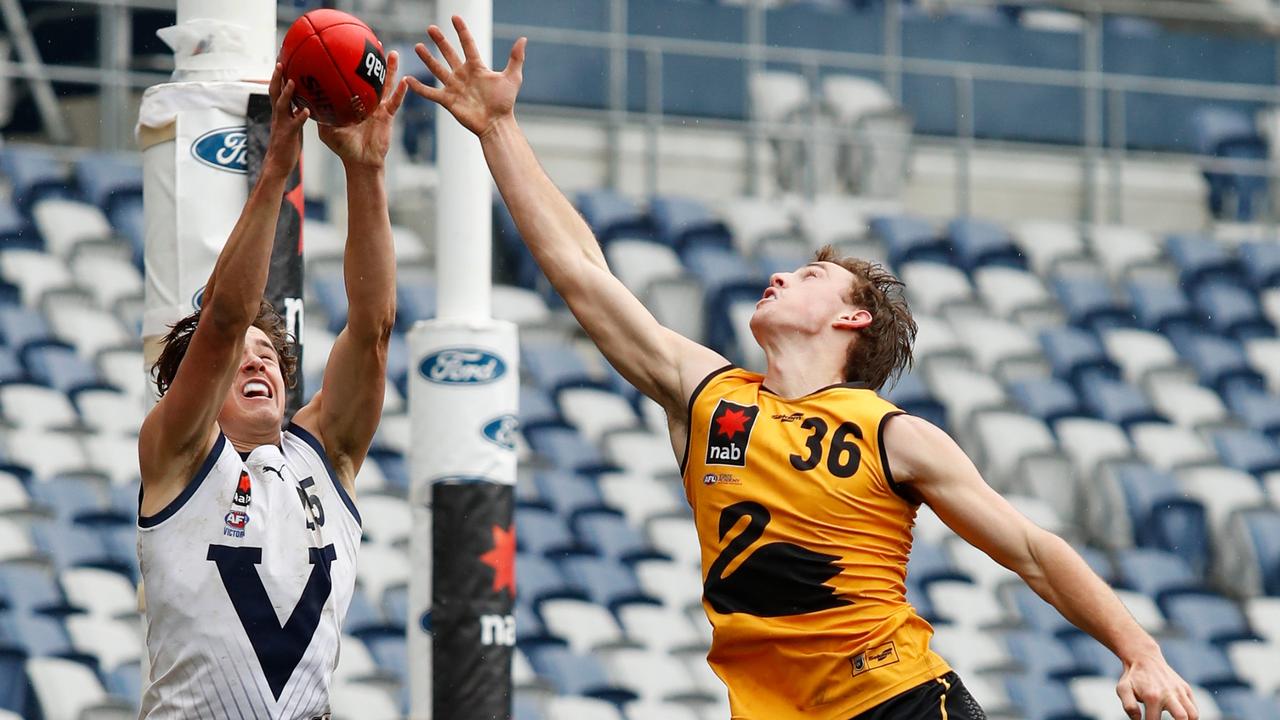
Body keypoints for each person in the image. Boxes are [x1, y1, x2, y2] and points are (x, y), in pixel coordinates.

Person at [408, 17, 1202, 720]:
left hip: (900, 702)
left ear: (852, 319)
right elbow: (584, 271)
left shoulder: (895, 435)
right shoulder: (708, 395)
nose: (781, 276)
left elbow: (1031, 551)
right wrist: (498, 133)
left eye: (810, 275)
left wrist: (1138, 650)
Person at [136, 55, 406, 719]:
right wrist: (277, 167)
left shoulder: (325, 454)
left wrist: (364, 172)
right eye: (238, 361)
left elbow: (372, 330)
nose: (257, 363)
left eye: (269, 355)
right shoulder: (177, 455)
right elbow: (225, 321)